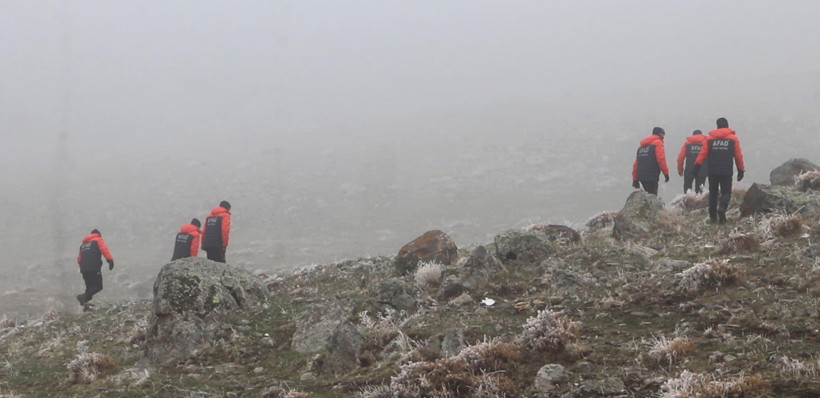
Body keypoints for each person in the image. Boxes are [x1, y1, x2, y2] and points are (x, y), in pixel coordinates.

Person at [694, 117, 745, 224]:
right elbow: (738, 156)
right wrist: (740, 170)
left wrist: (697, 166)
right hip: (726, 170)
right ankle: (722, 207)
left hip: (712, 170)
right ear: (727, 125)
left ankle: (713, 217)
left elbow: (702, 154)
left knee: (713, 193)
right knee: (726, 192)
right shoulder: (733, 139)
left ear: (717, 126)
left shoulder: (709, 139)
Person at [76, 229, 114, 305]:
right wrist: (110, 260)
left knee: (89, 289)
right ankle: (83, 297)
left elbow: (79, 259)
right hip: (93, 268)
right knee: (98, 286)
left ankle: (85, 306)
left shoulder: (83, 245)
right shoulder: (98, 240)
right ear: (98, 234)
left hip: (84, 269)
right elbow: (104, 249)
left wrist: (83, 268)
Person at [632, 127, 670, 195]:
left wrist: (635, 179)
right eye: (663, 134)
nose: (663, 136)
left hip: (641, 175)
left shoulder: (641, 147)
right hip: (652, 175)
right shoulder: (658, 143)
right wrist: (666, 174)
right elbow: (661, 159)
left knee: (648, 195)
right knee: (652, 196)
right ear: (659, 134)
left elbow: (636, 164)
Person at [676, 129, 709, 194]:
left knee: (687, 190)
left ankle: (688, 199)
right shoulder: (706, 143)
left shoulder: (687, 143)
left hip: (689, 169)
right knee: (700, 191)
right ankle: (699, 199)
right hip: (702, 169)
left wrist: (680, 170)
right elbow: (710, 157)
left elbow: (680, 158)